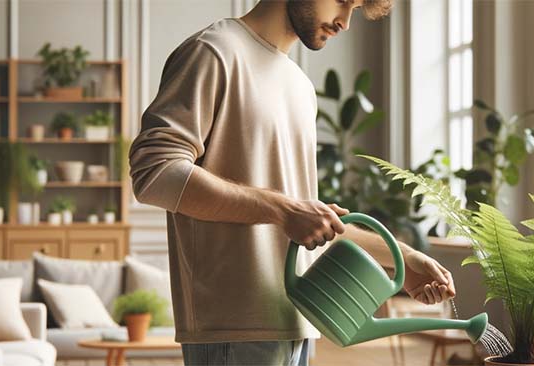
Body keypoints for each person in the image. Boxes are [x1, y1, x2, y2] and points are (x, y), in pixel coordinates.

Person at [128, 0, 457, 364]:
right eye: (344, 2)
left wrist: (404, 258)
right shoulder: (213, 52)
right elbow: (154, 173)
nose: (346, 22)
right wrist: (282, 208)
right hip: (233, 330)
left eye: (357, 8)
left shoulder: (299, 86)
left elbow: (308, 222)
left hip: (297, 324)